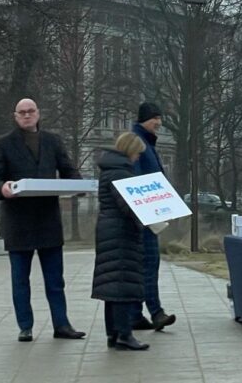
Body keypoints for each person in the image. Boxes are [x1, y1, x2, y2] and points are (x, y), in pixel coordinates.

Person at [0, 98, 87, 342]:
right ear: (15, 115)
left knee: (55, 280)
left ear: (38, 114)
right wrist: (2, 187)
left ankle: (62, 325)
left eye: (31, 111)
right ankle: (25, 326)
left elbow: (68, 168)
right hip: (19, 222)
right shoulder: (4, 144)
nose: (27, 116)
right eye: (22, 112)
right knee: (20, 280)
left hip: (48, 220)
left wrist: (80, 185)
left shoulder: (53, 141)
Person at [92, 132, 150, 351]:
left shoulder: (110, 170)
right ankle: (125, 335)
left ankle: (113, 334)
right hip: (121, 232)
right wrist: (149, 216)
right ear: (130, 151)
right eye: (137, 154)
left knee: (112, 286)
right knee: (123, 284)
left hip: (109, 229)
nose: (137, 159)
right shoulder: (121, 173)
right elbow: (129, 206)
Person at [130, 101, 177, 331]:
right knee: (149, 263)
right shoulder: (138, 143)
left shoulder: (146, 142)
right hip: (145, 217)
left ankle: (136, 315)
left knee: (144, 265)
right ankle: (155, 312)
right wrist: (145, 212)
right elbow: (138, 181)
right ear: (143, 119)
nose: (158, 122)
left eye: (160, 118)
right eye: (154, 118)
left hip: (150, 213)